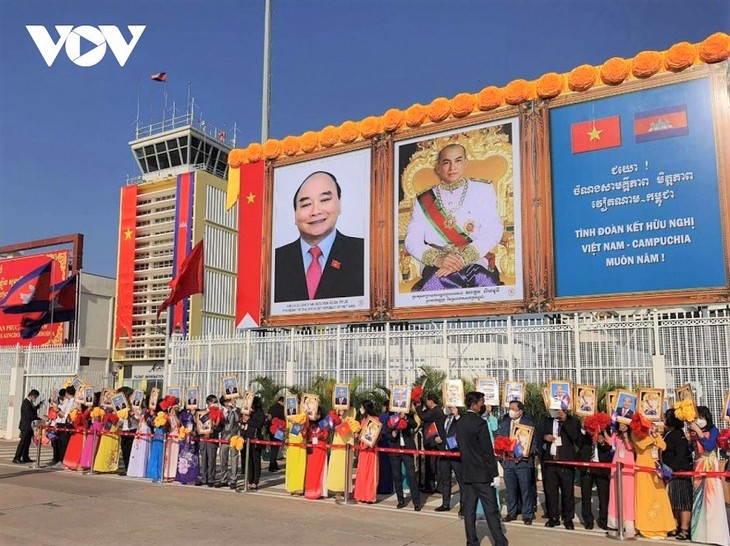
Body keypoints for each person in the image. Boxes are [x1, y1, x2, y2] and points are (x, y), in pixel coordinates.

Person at [404, 143, 503, 292]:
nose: (452, 168)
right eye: (446, 162)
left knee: (486, 285)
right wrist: (438, 260)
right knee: (435, 288)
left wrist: (463, 258)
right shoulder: (423, 199)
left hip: (475, 260)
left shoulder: (483, 189)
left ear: (465, 163)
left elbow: (493, 230)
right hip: (437, 265)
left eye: (458, 160)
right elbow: (412, 240)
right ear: (438, 168)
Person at [274, 171, 364, 302]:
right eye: (306, 205)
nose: (315, 211)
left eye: (325, 200)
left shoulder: (364, 253)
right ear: (295, 214)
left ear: (340, 204)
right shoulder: (275, 261)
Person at [456, 391, 508, 546]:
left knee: (469, 510)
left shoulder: (460, 422)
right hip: (482, 474)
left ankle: (471, 541)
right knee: (491, 509)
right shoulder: (479, 423)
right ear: (474, 404)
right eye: (481, 402)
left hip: (467, 473)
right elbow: (487, 450)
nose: (483, 405)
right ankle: (499, 540)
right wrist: (494, 474)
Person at [688, 406, 730, 545]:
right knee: (698, 499)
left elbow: (709, 446)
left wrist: (699, 432)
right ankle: (698, 533)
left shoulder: (713, 430)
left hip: (710, 465)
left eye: (701, 417)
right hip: (698, 465)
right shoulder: (694, 431)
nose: (699, 420)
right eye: (697, 418)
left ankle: (714, 534)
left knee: (711, 499)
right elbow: (692, 449)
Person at [538, 400, 580, 530]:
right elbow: (538, 435)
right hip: (550, 462)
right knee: (551, 492)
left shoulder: (573, 421)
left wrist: (565, 420)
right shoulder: (546, 420)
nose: (557, 411)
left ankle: (568, 519)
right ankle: (553, 517)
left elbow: (575, 437)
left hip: (565, 462)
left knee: (567, 492)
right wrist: (545, 437)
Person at [632, 418, 675, 539]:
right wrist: (650, 435)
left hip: (656, 469)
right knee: (645, 497)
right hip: (642, 469)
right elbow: (641, 445)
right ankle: (645, 526)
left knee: (660, 496)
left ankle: (661, 526)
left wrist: (655, 435)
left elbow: (663, 446)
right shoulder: (636, 433)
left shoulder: (654, 434)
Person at [498, 401, 536, 525]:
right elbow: (500, 440)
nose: (511, 411)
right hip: (508, 462)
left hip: (523, 463)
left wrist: (525, 454)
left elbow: (534, 444)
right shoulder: (504, 424)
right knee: (510, 489)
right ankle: (511, 512)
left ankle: (527, 514)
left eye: (514, 409)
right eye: (510, 408)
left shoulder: (528, 424)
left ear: (520, 411)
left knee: (525, 489)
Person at [661, 408, 693, 540]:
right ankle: (674, 526)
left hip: (680, 471)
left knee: (683, 501)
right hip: (671, 472)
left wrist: (672, 468)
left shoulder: (678, 434)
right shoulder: (670, 433)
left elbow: (681, 453)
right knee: (674, 501)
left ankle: (684, 529)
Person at [386, 408, 422, 511]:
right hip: (395, 450)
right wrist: (393, 434)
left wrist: (405, 417)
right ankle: (400, 500)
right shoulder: (390, 416)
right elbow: (387, 433)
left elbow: (414, 424)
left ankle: (416, 502)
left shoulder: (407, 414)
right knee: (397, 476)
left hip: (407, 449)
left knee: (411, 475)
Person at [577, 426, 612, 530]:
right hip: (587, 466)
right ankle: (588, 520)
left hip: (601, 467)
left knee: (603, 495)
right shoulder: (584, 429)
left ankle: (603, 520)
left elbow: (609, 447)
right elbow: (578, 443)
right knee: (586, 494)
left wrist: (602, 442)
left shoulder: (604, 427)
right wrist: (584, 429)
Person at [606, 421, 635, 538]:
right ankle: (614, 522)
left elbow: (630, 447)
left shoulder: (631, 435)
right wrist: (602, 429)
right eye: (621, 424)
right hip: (616, 465)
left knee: (627, 495)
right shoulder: (616, 434)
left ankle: (628, 524)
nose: (622, 426)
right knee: (615, 494)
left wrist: (626, 435)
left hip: (628, 466)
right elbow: (609, 441)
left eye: (625, 424)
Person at [435, 405, 463, 515]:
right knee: (445, 480)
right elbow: (438, 432)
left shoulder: (459, 419)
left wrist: (456, 415)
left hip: (455, 453)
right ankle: (445, 504)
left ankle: (463, 506)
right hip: (444, 453)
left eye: (451, 407)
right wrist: (436, 438)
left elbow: (462, 428)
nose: (449, 409)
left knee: (461, 481)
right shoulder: (443, 419)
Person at [415, 393, 444, 494]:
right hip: (432, 441)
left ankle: (431, 486)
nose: (426, 403)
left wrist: (418, 406)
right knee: (434, 464)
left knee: (432, 465)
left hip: (434, 442)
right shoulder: (435, 410)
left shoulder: (436, 410)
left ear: (431, 401)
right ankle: (435, 486)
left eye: (427, 401)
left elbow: (423, 416)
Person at [354, 401, 380, 503]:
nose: (361, 409)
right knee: (362, 472)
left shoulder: (375, 420)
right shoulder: (363, 419)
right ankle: (361, 495)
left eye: (361, 407)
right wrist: (357, 435)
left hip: (371, 450)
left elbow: (375, 435)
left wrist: (367, 443)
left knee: (370, 473)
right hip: (362, 450)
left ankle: (369, 496)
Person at [304, 406, 330, 499]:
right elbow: (304, 434)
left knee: (321, 470)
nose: (317, 415)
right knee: (311, 470)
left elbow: (326, 435)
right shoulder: (308, 423)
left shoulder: (324, 422)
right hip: (311, 449)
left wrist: (319, 435)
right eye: (315, 413)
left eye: (318, 413)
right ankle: (310, 490)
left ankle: (321, 491)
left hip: (320, 448)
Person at [196, 395, 221, 487]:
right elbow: (198, 425)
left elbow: (220, 426)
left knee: (211, 460)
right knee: (203, 459)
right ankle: (204, 478)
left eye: (216, 402)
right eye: (214, 402)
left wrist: (214, 428)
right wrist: (200, 432)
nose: (215, 404)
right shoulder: (201, 412)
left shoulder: (218, 412)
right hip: (203, 439)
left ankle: (211, 479)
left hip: (212, 439)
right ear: (208, 403)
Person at [219, 395, 242, 489]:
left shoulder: (236, 410)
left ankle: (233, 480)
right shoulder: (221, 412)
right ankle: (223, 479)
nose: (231, 402)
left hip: (234, 437)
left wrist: (233, 409)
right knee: (223, 459)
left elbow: (238, 420)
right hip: (224, 437)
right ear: (224, 402)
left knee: (234, 459)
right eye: (228, 401)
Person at [13, 389, 42, 464]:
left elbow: (32, 410)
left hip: (29, 426)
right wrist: (40, 420)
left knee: (27, 442)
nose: (35, 399)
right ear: (32, 396)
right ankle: (17, 457)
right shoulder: (26, 403)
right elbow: (30, 415)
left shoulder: (30, 403)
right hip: (25, 426)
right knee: (23, 442)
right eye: (35, 397)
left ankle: (25, 456)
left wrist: (38, 406)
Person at [244, 396, 266, 490]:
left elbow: (259, 424)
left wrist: (248, 419)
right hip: (248, 438)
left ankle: (255, 481)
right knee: (249, 460)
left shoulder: (260, 413)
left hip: (256, 438)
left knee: (256, 461)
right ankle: (249, 480)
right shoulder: (249, 412)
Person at [267, 396, 285, 472]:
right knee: (276, 448)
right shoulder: (282, 409)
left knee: (273, 448)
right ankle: (272, 465)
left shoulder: (271, 407)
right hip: (279, 430)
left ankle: (274, 464)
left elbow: (269, 418)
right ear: (282, 401)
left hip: (272, 430)